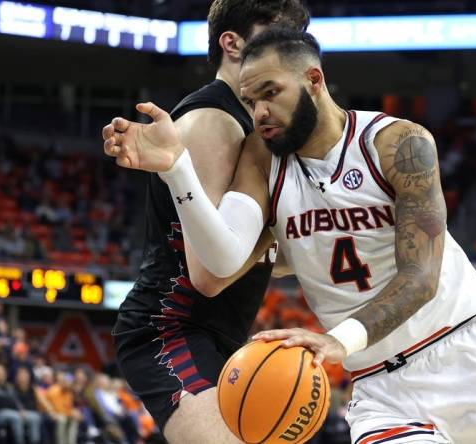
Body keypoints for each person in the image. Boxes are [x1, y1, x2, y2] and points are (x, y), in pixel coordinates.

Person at [103, 28, 476, 443]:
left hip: (467, 354)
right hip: (380, 387)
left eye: (271, 92)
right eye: (250, 102)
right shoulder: (262, 157)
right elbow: (224, 260)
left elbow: (421, 276)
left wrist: (337, 341)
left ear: (314, 80)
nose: (261, 112)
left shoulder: (397, 142)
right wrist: (177, 170)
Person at [106, 1, 309, 443]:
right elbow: (210, 273)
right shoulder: (215, 121)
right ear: (231, 43)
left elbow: (254, 255)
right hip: (170, 327)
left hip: (219, 332)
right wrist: (272, 233)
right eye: (275, 34)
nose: (287, 48)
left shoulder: (255, 126)